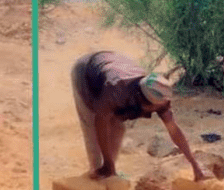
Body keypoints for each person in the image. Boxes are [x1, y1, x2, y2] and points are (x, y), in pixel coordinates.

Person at [71, 51, 208, 181]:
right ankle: (97, 172)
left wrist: (195, 165)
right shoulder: (116, 89)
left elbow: (174, 130)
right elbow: (100, 122)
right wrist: (106, 163)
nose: (157, 111)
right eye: (154, 108)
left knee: (118, 128)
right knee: (92, 129)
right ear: (141, 100)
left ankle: (109, 172)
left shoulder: (160, 96)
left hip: (112, 64)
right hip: (85, 73)